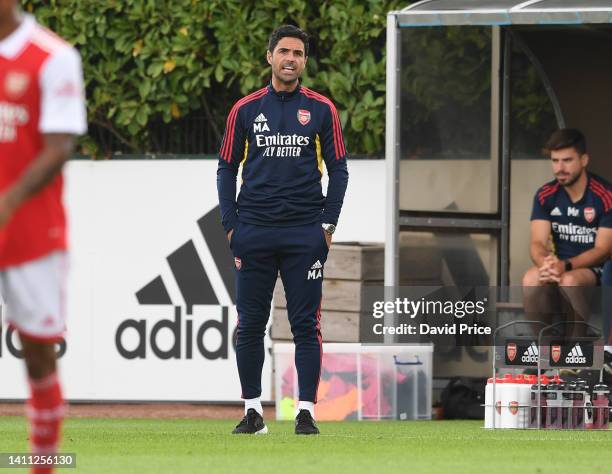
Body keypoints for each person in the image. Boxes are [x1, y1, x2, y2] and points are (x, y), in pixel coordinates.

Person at [217, 24, 349, 435]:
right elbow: (225, 168)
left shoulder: (322, 109)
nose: (290, 59)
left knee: (305, 324)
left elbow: (340, 170)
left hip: (304, 233)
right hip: (253, 231)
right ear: (269, 57)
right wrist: (231, 227)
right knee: (250, 323)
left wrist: (326, 226)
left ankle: (305, 411)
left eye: (298, 53)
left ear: (304, 62)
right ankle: (252, 411)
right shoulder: (245, 109)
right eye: (284, 52)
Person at [0, 1, 86, 471]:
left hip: (32, 230)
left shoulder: (52, 57)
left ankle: (44, 464)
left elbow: (59, 147)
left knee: (37, 354)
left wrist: (8, 204)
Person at [522, 129, 611, 338]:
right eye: (555, 161)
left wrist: (566, 265)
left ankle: (574, 352)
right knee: (531, 278)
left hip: (593, 271)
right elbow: (536, 242)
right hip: (558, 268)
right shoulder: (546, 195)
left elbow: (603, 250)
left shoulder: (605, 195)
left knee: (569, 281)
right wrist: (545, 264)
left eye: (567, 160)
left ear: (584, 160)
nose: (559, 168)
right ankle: (542, 351)